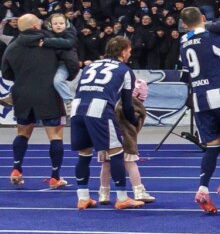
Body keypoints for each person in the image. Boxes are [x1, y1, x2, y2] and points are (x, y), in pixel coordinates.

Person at [178, 6, 220, 215]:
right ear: (204, 19)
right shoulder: (212, 37)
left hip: (200, 99)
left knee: (212, 146)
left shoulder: (183, 42)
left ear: (184, 24)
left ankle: (203, 189)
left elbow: (186, 72)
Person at [2, 13, 77, 188]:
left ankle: (16, 169)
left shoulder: (12, 46)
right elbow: (71, 62)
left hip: (22, 94)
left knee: (22, 133)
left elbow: (6, 73)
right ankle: (55, 177)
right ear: (37, 26)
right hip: (49, 94)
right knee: (55, 136)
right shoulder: (51, 41)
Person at [69, 36, 142, 210]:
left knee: (84, 154)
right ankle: (122, 197)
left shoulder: (91, 65)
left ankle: (83, 197)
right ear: (124, 52)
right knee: (116, 152)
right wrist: (133, 122)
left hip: (77, 108)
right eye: (129, 51)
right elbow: (127, 104)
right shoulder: (125, 70)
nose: (129, 54)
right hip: (99, 109)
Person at [100, 73, 154, 204]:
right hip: (126, 139)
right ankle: (138, 190)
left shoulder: (112, 100)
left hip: (107, 136)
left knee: (106, 165)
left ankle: (104, 193)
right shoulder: (133, 105)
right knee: (131, 164)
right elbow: (134, 122)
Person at [43, 13, 80, 117]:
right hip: (50, 64)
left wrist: (47, 42)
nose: (58, 25)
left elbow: (68, 43)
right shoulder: (44, 34)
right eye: (55, 23)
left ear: (66, 24)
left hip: (65, 64)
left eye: (61, 23)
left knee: (58, 80)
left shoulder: (70, 33)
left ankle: (69, 102)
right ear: (50, 25)